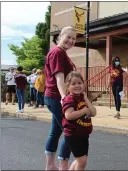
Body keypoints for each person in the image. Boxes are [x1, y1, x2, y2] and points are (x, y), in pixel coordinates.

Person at [44, 26, 76, 170]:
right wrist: (64, 98)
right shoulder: (57, 52)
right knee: (71, 130)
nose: (71, 40)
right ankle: (63, 167)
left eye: (73, 38)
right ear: (60, 36)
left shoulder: (61, 53)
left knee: (56, 131)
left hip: (54, 97)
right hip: (56, 97)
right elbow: (59, 77)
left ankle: (50, 166)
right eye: (68, 37)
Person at [58, 71, 97, 170]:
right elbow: (69, 115)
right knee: (82, 161)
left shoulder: (82, 98)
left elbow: (93, 112)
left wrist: (86, 99)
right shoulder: (69, 99)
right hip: (73, 134)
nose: (77, 86)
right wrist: (83, 111)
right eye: (73, 84)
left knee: (81, 160)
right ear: (68, 86)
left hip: (83, 133)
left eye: (79, 83)